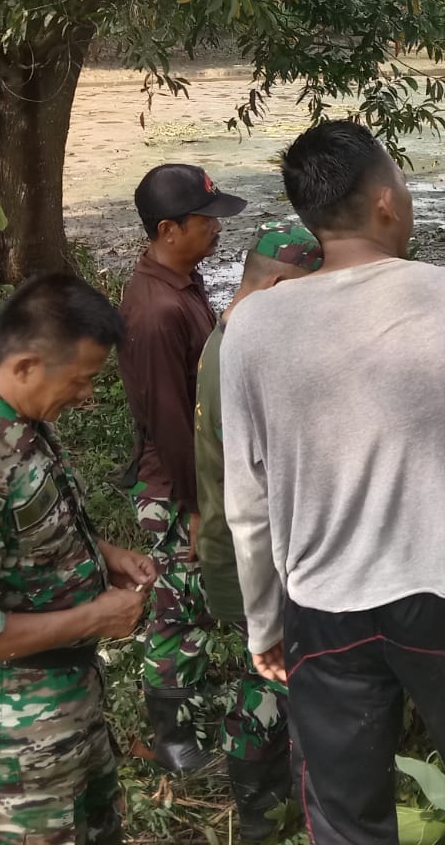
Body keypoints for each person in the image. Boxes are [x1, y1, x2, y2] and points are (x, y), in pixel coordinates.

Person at [221, 120, 445, 845]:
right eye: (404, 184)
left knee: (347, 818)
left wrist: (265, 627)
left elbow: (248, 508)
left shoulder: (251, 328)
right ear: (385, 199)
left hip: (320, 611)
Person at [0, 273, 155, 844]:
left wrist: (102, 554)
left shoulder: (20, 422)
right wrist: (95, 617)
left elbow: (27, 532)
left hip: (62, 716)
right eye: (81, 379)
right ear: (25, 365)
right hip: (12, 747)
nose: (88, 395)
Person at [193, 222, 323, 839]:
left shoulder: (231, 335)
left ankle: (271, 799)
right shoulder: (241, 359)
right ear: (273, 285)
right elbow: (258, 495)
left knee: (269, 677)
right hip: (250, 555)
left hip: (242, 544)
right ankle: (261, 811)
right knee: (267, 683)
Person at [119, 162, 246, 772]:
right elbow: (170, 420)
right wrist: (196, 509)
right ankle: (175, 742)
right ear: (168, 229)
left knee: (189, 601)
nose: (217, 231)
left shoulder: (181, 283)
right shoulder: (155, 311)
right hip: (174, 487)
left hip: (191, 477)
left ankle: (189, 718)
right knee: (179, 607)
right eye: (206, 222)